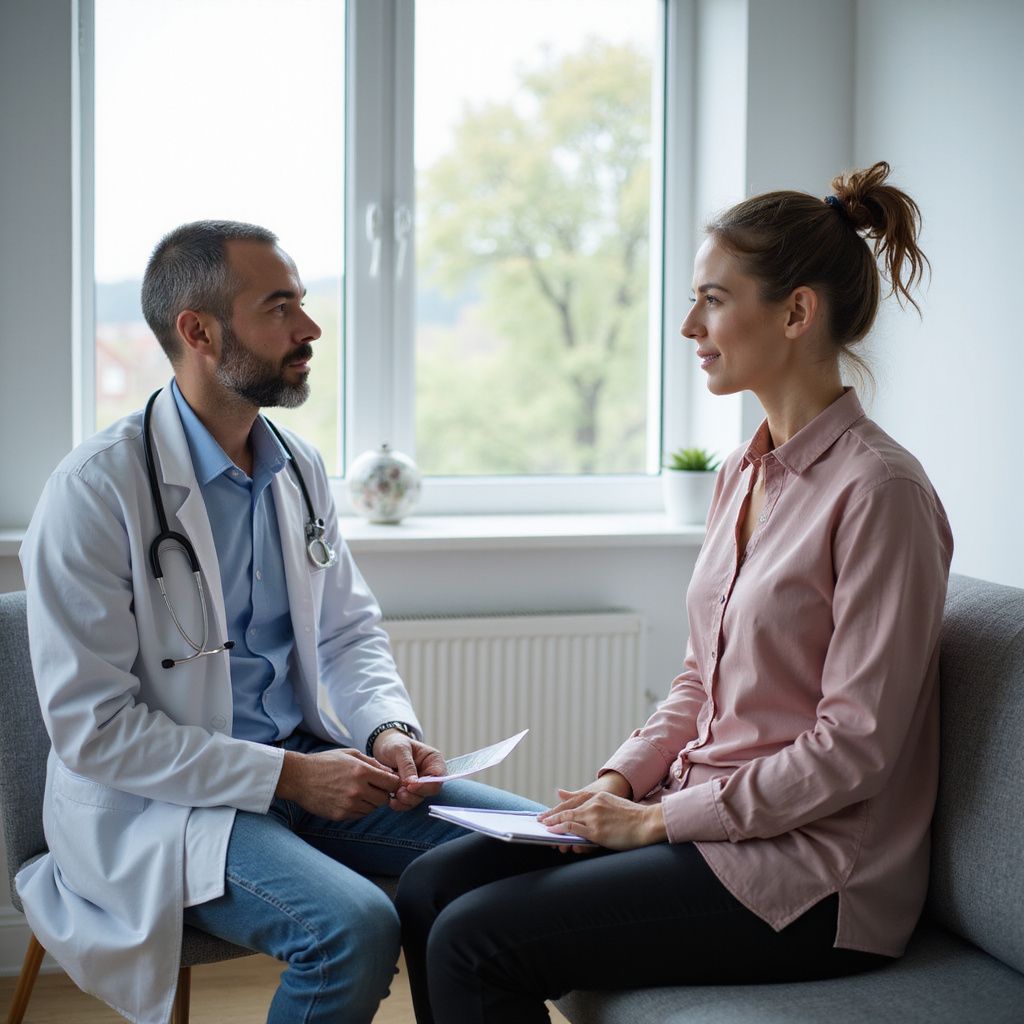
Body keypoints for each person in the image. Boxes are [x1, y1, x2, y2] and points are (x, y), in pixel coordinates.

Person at [396, 162, 954, 1023]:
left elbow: (854, 748)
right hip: (709, 824)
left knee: (475, 940)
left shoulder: (881, 493)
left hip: (813, 878)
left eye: (714, 299)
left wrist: (660, 823)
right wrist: (621, 782)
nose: (690, 324)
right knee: (431, 885)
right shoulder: (741, 471)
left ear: (796, 312)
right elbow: (699, 679)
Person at [17, 220, 540, 1024]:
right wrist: (291, 777)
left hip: (313, 768)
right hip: (168, 806)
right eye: (281, 307)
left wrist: (385, 729)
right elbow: (95, 731)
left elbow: (346, 633)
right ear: (199, 331)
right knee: (352, 930)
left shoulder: (298, 466)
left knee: (535, 843)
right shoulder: (95, 491)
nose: (310, 328)